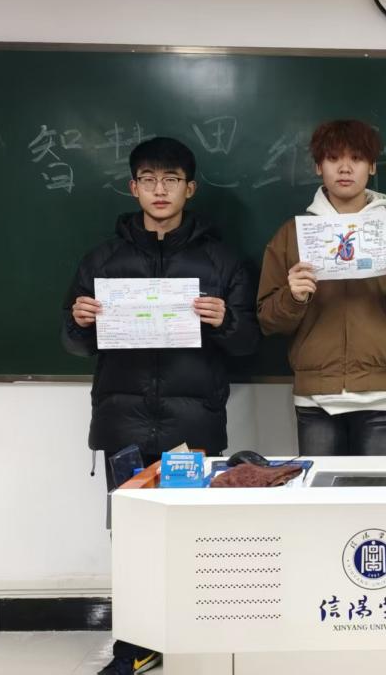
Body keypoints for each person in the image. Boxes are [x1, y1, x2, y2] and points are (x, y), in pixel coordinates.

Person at [61, 136, 261, 675]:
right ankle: (134, 646)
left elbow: (248, 343)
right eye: (148, 179)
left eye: (171, 179)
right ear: (133, 187)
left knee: (192, 533)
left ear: (189, 189)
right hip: (122, 422)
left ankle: (193, 637)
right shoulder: (102, 259)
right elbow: (73, 342)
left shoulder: (221, 260)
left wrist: (226, 321)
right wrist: (79, 322)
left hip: (192, 423)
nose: (159, 189)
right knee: (131, 536)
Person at [256, 119, 386, 455]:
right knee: (320, 490)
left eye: (356, 158)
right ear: (318, 167)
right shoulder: (293, 235)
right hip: (316, 395)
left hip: (382, 396)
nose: (345, 168)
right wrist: (293, 298)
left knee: (377, 489)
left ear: (372, 166)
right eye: (333, 158)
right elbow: (267, 320)